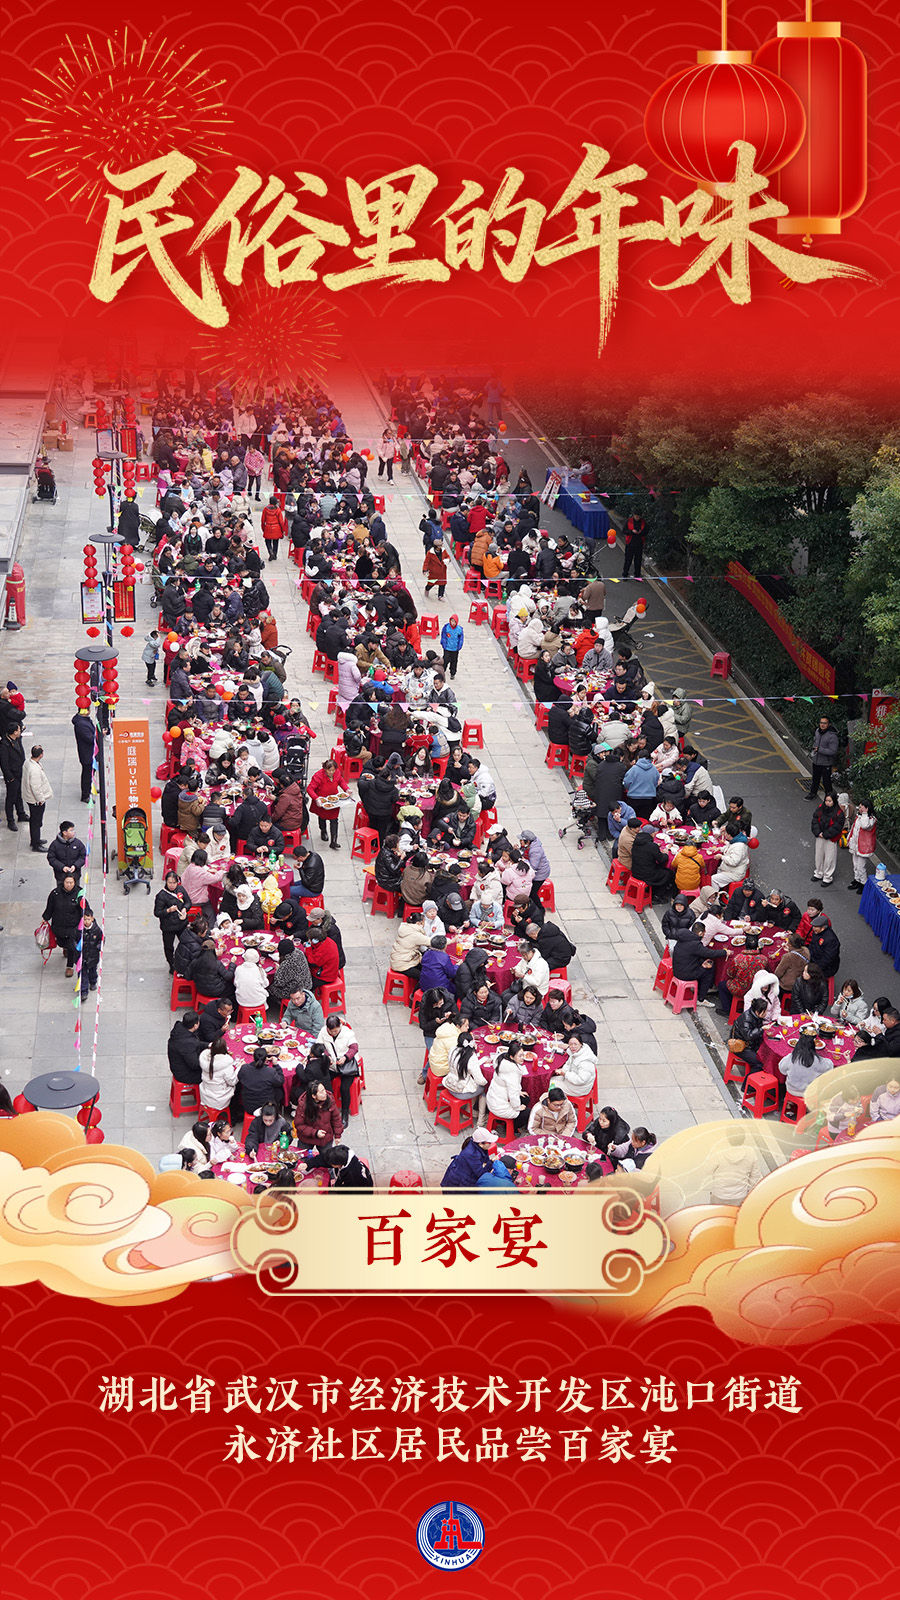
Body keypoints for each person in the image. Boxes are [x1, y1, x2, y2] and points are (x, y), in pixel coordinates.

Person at [42, 873, 88, 977]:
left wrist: (87, 916)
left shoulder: (79, 894)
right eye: (67, 882)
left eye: (71, 882)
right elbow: (50, 907)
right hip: (58, 925)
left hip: (73, 926)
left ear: (75, 882)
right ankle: (65, 948)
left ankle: (69, 966)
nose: (69, 884)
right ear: (63, 882)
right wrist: (45, 918)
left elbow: (85, 907)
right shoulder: (55, 893)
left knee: (72, 946)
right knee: (61, 942)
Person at [316, 1014, 359, 1122]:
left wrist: (345, 1057)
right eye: (331, 1031)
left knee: (344, 1088)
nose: (333, 1033)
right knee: (322, 1083)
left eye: (336, 1031)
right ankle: (327, 1108)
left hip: (347, 1066)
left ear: (340, 1026)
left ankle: (345, 1114)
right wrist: (327, 1056)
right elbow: (320, 1046)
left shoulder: (347, 1032)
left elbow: (354, 1048)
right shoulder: (323, 1032)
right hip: (332, 1066)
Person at [716, 931, 771, 1016]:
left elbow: (730, 974)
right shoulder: (764, 959)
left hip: (740, 988)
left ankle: (727, 1009)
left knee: (721, 985)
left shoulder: (738, 958)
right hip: (756, 989)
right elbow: (767, 972)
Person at [442, 1025, 489, 1125]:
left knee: (475, 1084)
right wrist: (487, 1082)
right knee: (482, 1088)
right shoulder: (471, 1057)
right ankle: (481, 1119)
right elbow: (480, 1080)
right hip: (460, 1090)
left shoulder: (453, 1050)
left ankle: (468, 1111)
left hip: (449, 1084)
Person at [705, 1128, 763, 1207]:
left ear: (727, 1138)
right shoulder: (750, 1152)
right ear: (744, 1138)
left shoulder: (719, 1152)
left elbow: (707, 1170)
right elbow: (755, 1176)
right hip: (740, 1196)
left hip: (719, 1194)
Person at [306, 759, 348, 850]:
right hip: (322, 801)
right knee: (322, 817)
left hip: (334, 801)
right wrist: (316, 798)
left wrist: (346, 789)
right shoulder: (318, 776)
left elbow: (341, 781)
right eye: (329, 770)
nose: (332, 772)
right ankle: (323, 830)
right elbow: (310, 789)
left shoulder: (337, 773)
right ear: (325, 769)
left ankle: (334, 841)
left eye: (333, 770)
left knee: (334, 820)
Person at [783, 1033, 833, 1108]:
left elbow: (782, 1069)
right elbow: (830, 1066)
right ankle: (807, 1107)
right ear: (813, 1047)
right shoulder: (818, 1061)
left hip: (791, 1089)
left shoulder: (791, 1057)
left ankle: (790, 1103)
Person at [300, 1143, 374, 1189]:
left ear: (338, 1164)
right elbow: (324, 1159)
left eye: (331, 1164)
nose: (329, 1164)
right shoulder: (341, 1155)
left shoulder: (353, 1175)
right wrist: (308, 1164)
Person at [294, 1079, 343, 1147]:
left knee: (327, 1153)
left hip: (325, 1137)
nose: (325, 1093)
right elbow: (299, 1125)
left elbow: (336, 1118)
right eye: (321, 1092)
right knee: (303, 1153)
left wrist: (338, 1135)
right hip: (307, 1137)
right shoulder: (303, 1105)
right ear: (314, 1096)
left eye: (324, 1090)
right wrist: (315, 1132)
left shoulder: (329, 1100)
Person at [198, 1035, 239, 1116]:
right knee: (238, 1088)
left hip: (205, 1093)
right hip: (219, 1098)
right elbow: (233, 1082)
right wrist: (239, 1068)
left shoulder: (204, 1059)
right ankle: (234, 1115)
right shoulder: (225, 1064)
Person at [22, 744, 52, 852]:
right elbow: (36, 788)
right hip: (35, 800)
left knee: (35, 821)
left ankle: (35, 839)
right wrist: (41, 800)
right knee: (36, 822)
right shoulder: (34, 770)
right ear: (41, 755)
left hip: (30, 797)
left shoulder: (28, 762)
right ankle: (36, 844)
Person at [238, 1047, 285, 1114]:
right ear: (266, 1059)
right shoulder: (270, 1072)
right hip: (266, 1107)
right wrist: (276, 1065)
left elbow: (240, 1078)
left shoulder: (244, 1068)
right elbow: (280, 1081)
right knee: (279, 1091)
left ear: (253, 1057)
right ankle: (277, 1109)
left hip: (248, 1106)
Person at [811, 793, 844, 886]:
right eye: (826, 800)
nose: (827, 803)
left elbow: (837, 827)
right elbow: (815, 820)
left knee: (829, 858)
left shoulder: (839, 813)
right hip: (820, 836)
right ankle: (818, 872)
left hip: (831, 838)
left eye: (829, 801)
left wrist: (824, 834)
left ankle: (827, 877)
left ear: (834, 801)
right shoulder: (820, 808)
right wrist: (818, 832)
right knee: (819, 856)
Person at [0, 722, 27, 830]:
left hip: (19, 772)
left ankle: (21, 814)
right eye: (19, 730)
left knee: (19, 795)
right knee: (11, 798)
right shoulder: (4, 745)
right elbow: (4, 764)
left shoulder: (17, 740)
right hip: (12, 776)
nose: (20, 731)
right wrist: (10, 777)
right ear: (15, 732)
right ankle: (10, 820)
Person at [553, 1034, 597, 1098]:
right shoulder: (574, 1053)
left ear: (581, 1044)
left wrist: (565, 1074)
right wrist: (563, 1070)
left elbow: (581, 1080)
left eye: (575, 1044)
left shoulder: (585, 1062)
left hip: (579, 1088)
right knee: (549, 1080)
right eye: (571, 1044)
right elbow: (568, 1064)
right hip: (571, 1080)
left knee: (549, 1085)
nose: (573, 1046)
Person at [807, 716, 840, 800]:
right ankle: (812, 793)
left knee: (826, 781)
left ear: (829, 724)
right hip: (816, 761)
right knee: (815, 779)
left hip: (826, 763)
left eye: (825, 723)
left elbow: (833, 751)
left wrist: (820, 750)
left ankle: (829, 798)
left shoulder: (832, 736)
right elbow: (816, 742)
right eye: (821, 723)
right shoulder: (817, 731)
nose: (822, 725)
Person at [847, 800, 877, 893]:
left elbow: (864, 826)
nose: (859, 808)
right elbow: (854, 829)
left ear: (867, 808)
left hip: (864, 847)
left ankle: (863, 883)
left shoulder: (871, 819)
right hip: (856, 845)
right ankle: (857, 880)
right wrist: (849, 839)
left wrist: (864, 814)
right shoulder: (859, 817)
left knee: (861, 867)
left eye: (861, 807)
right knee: (855, 865)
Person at [270, 938, 312, 1002]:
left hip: (296, 991)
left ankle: (276, 1003)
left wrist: (278, 969)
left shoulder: (286, 964)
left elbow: (278, 983)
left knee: (271, 987)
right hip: (307, 984)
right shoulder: (299, 952)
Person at [167, 1010, 203, 1085]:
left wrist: (208, 1045)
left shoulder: (180, 1031)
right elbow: (195, 1065)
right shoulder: (187, 1044)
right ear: (195, 1026)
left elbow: (196, 1043)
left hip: (178, 1066)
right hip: (185, 1074)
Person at [72, 711, 96, 803]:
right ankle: (85, 795)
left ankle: (89, 788)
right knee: (87, 774)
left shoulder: (85, 720)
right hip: (86, 754)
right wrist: (99, 735)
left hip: (91, 752)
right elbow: (90, 738)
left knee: (91, 772)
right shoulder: (81, 724)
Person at [234, 947, 269, 1011]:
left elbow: (236, 983)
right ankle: (259, 1014)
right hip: (259, 1001)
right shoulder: (259, 969)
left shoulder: (238, 968)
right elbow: (266, 984)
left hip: (241, 1000)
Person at [79, 908, 102, 998]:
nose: (86, 921)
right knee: (83, 974)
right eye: (85, 919)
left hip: (93, 956)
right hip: (83, 957)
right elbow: (74, 938)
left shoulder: (96, 930)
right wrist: (76, 947)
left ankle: (93, 982)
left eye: (88, 919)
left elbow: (101, 939)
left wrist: (99, 947)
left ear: (92, 919)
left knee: (92, 971)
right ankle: (84, 991)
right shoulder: (79, 930)